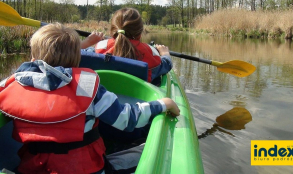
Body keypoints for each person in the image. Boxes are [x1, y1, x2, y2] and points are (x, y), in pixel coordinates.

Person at [0, 23, 180, 174]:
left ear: (33, 57)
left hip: (33, 169)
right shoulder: (86, 87)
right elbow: (127, 119)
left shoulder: (10, 84)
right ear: (78, 60)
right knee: (145, 153)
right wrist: (161, 104)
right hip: (87, 170)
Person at [83, 8, 173, 83]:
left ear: (112, 32)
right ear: (140, 34)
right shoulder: (150, 54)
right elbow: (166, 65)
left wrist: (87, 42)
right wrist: (165, 54)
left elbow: (74, 53)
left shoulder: (96, 51)